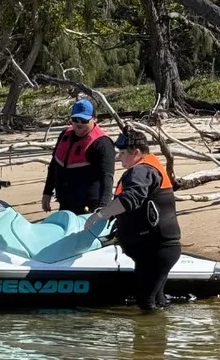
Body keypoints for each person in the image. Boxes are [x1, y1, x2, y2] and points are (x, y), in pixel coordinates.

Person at [83, 130, 182, 312]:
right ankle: (160, 328)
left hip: (157, 250)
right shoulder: (147, 167)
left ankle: (151, 329)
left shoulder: (141, 170)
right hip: (156, 249)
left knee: (145, 301)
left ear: (136, 152)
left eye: (122, 153)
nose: (119, 157)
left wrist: (100, 215)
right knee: (156, 299)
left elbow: (130, 199)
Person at [41, 99, 115, 215]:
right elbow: (54, 165)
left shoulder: (102, 144)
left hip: (89, 207)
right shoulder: (65, 135)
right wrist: (47, 192)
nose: (79, 123)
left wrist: (103, 208)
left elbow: (107, 178)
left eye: (84, 120)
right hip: (65, 204)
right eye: (75, 119)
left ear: (94, 119)